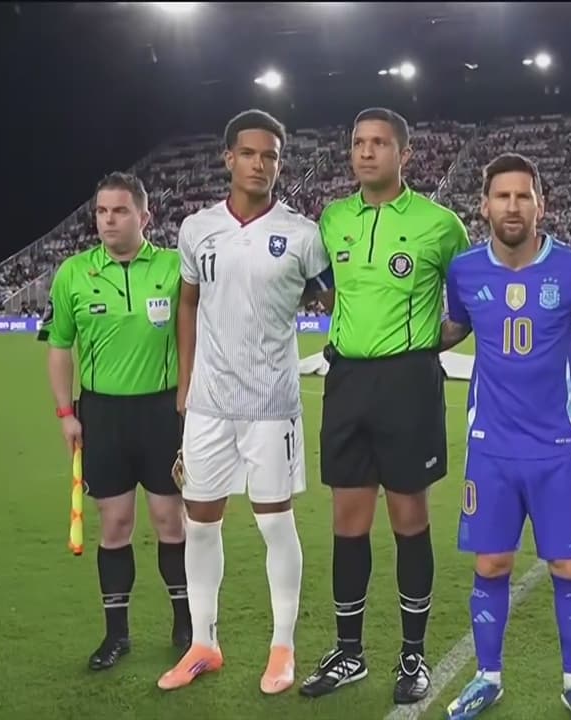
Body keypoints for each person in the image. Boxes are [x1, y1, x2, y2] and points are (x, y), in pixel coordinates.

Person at [439, 153, 571, 720]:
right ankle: (487, 678)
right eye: (502, 196)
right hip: (490, 447)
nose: (512, 206)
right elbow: (451, 329)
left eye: (524, 196)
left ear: (541, 204)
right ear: (484, 205)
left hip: (558, 448)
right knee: (491, 565)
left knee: (570, 568)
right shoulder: (464, 271)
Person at [158, 109, 331, 695]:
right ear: (228, 157)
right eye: (250, 153)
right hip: (208, 406)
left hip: (272, 407)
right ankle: (204, 644)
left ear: (280, 164)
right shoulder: (195, 228)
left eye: (272, 156)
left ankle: (282, 648)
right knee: (199, 525)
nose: (261, 164)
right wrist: (184, 384)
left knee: (275, 524)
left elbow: (344, 298)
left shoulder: (304, 235)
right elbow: (187, 303)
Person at [300, 107, 469, 705]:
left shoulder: (440, 224)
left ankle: (413, 656)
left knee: (408, 520)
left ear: (405, 153)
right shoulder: (333, 218)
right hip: (346, 382)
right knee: (348, 522)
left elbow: (467, 302)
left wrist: (428, 344)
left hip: (407, 384)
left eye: (378, 143)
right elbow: (317, 288)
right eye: (357, 143)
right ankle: (349, 653)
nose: (366, 152)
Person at [41, 172, 190, 671]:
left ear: (145, 216)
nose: (108, 220)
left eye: (119, 211)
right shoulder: (73, 274)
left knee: (171, 522)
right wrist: (67, 413)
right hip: (102, 414)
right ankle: (116, 634)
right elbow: (60, 347)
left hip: (164, 412)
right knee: (116, 525)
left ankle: (186, 623)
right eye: (102, 212)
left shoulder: (173, 268)